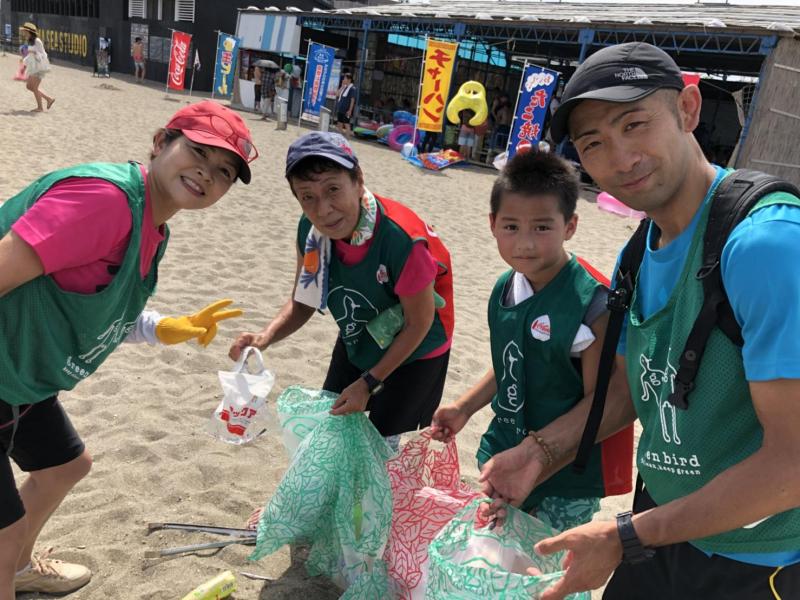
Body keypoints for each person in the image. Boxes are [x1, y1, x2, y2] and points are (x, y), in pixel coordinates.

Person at [479, 42, 800, 600]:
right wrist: (538, 453)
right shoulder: (639, 252)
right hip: (661, 520)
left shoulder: (765, 246)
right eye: (593, 143)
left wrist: (627, 536)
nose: (621, 159)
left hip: (753, 557)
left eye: (634, 124)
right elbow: (627, 389)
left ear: (688, 109)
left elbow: (792, 463)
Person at [0, 100, 257, 597]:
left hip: (24, 374)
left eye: (225, 171)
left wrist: (163, 328)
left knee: (64, 467)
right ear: (161, 143)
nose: (207, 173)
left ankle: (18, 568)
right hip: (4, 372)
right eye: (199, 152)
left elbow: (96, 304)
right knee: (2, 535)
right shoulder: (107, 201)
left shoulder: (152, 225)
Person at [430, 150, 631, 532]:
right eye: (511, 226)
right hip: (505, 449)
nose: (525, 243)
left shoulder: (590, 304)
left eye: (541, 227)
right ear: (492, 224)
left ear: (570, 226)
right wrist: (464, 407)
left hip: (564, 479)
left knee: (543, 560)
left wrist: (537, 465)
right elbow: (513, 362)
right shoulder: (505, 289)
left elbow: (601, 405)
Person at [230, 132, 454, 452]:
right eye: (307, 197)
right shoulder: (311, 233)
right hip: (362, 330)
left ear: (358, 180)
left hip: (417, 346)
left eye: (333, 189)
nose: (323, 210)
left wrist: (368, 382)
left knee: (379, 444)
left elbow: (418, 322)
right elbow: (303, 302)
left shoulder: (402, 239)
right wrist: (264, 337)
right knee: (331, 423)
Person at [20, 23, 54, 113]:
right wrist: (24, 60)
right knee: (29, 86)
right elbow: (30, 55)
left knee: (34, 87)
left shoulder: (37, 41)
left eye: (24, 31)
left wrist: (33, 53)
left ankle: (40, 107)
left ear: (29, 32)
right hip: (34, 66)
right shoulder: (30, 41)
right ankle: (48, 99)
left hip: (39, 66)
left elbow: (43, 54)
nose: (23, 32)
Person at [335, 73, 357, 138]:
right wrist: (342, 86)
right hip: (340, 108)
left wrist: (350, 110)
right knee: (339, 123)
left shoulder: (352, 88)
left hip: (346, 110)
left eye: (345, 78)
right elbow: (337, 94)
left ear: (349, 80)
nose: (343, 79)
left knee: (346, 124)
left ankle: (347, 139)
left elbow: (352, 100)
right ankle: (340, 138)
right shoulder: (344, 87)